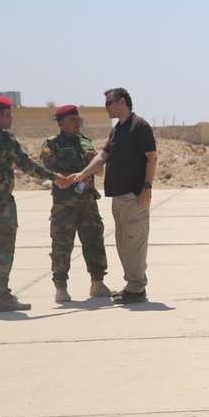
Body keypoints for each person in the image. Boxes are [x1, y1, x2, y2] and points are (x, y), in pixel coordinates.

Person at [72, 88, 158, 303]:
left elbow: (152, 157)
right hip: (118, 196)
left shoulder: (140, 126)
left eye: (109, 103)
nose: (106, 107)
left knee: (134, 243)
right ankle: (132, 285)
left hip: (134, 196)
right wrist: (83, 174)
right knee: (123, 243)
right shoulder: (118, 129)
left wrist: (147, 187)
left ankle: (137, 288)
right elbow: (104, 155)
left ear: (121, 102)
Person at [0, 94, 70, 311]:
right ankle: (1, 296)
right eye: (8, 114)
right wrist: (55, 177)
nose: (11, 118)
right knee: (2, 248)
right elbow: (26, 165)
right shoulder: (4, 139)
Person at [40, 105, 111, 302]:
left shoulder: (86, 143)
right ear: (61, 123)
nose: (77, 122)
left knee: (94, 241)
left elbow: (99, 172)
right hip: (64, 204)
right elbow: (45, 172)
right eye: (73, 119)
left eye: (78, 119)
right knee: (62, 244)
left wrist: (93, 165)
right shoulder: (51, 145)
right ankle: (61, 287)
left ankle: (98, 282)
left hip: (87, 202)